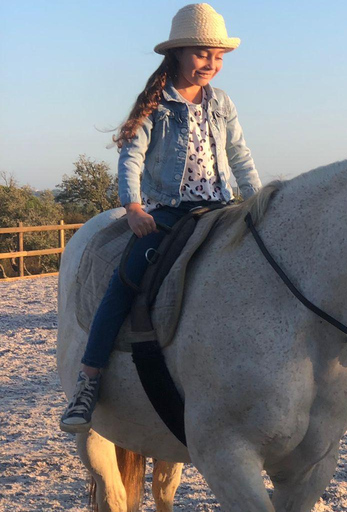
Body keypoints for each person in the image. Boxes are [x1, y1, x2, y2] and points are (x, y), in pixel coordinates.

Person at [60, 3, 262, 433]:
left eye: (218, 56)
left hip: (221, 206)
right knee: (126, 280)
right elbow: (131, 157)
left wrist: (258, 202)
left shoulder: (222, 103)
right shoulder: (157, 103)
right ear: (178, 54)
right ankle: (88, 380)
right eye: (202, 53)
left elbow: (239, 155)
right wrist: (133, 207)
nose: (211, 63)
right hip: (169, 210)